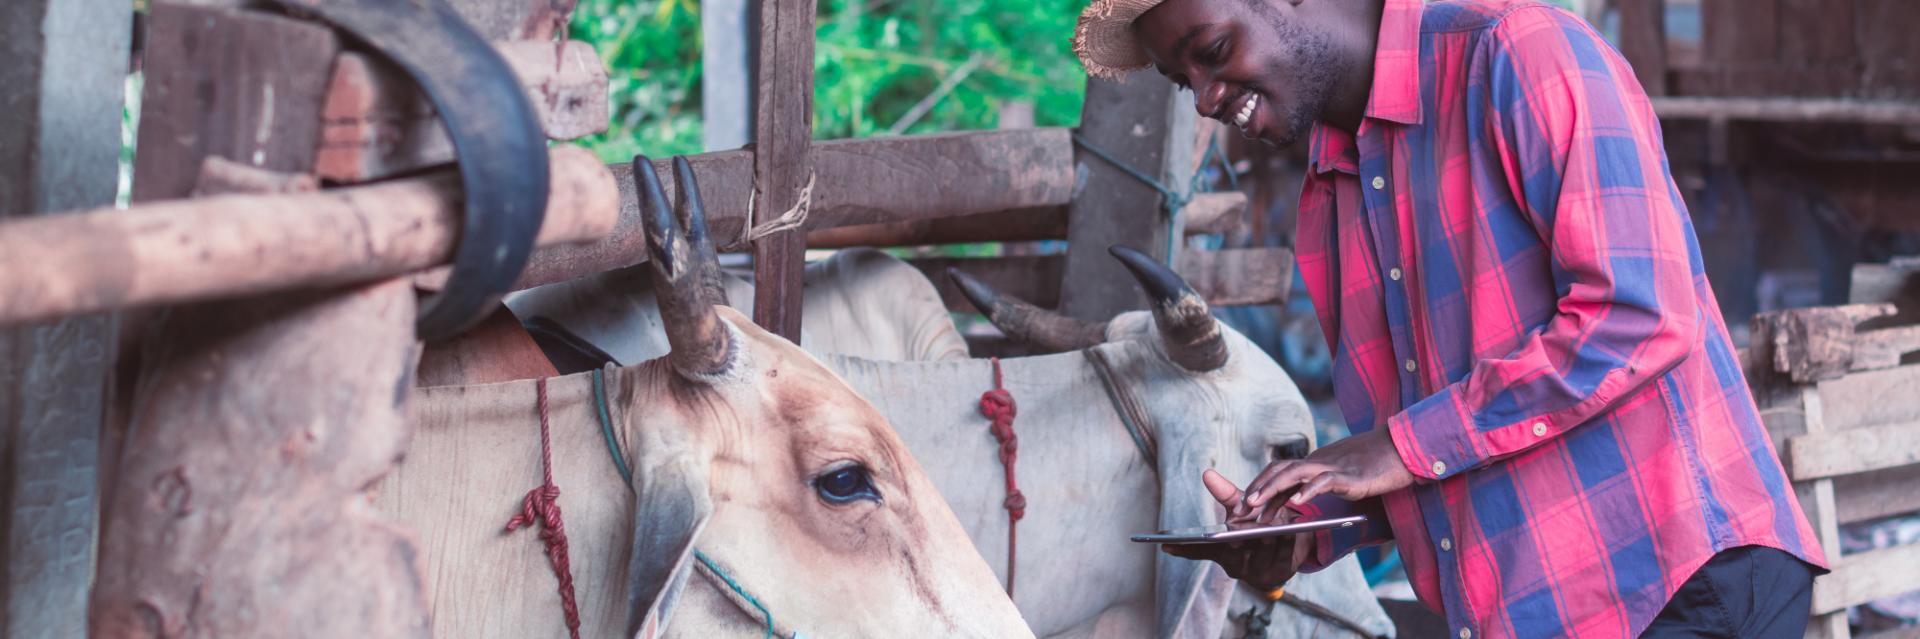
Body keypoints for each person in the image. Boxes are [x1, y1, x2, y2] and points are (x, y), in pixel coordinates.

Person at [1071, 0, 1829, 637]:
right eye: (1182, 82)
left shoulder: (1523, 54)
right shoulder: (1328, 189)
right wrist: (1314, 520)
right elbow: (1439, 436)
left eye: (1212, 51)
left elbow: (1637, 316)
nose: (1204, 97)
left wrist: (1392, 449)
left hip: (1679, 584)